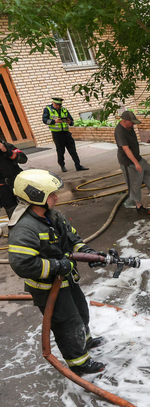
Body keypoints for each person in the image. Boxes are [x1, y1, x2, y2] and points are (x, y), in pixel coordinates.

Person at [7, 169, 106, 375]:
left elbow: (72, 239)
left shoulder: (52, 215)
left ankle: (85, 341)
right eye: (51, 194)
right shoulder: (24, 228)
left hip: (66, 280)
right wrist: (59, 266)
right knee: (66, 323)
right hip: (47, 287)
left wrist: (88, 254)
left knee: (80, 311)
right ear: (36, 196)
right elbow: (22, 264)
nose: (56, 197)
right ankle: (78, 363)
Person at [115, 110, 150, 214]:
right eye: (132, 122)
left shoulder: (129, 126)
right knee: (135, 184)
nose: (134, 124)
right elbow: (126, 149)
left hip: (137, 158)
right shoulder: (120, 131)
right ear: (124, 120)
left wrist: (138, 160)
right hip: (128, 162)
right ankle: (139, 207)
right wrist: (136, 163)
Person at [42, 97, 88, 173]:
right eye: (57, 105)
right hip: (57, 134)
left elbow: (71, 121)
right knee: (60, 151)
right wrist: (54, 121)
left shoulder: (64, 109)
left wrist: (70, 122)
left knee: (73, 150)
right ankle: (62, 165)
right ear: (53, 103)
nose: (58, 106)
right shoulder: (48, 109)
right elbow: (44, 120)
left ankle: (78, 165)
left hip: (66, 133)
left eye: (60, 105)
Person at [0, 137, 28, 218]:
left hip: (18, 182)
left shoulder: (7, 146)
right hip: (3, 189)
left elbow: (23, 159)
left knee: (29, 206)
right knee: (13, 214)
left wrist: (7, 152)